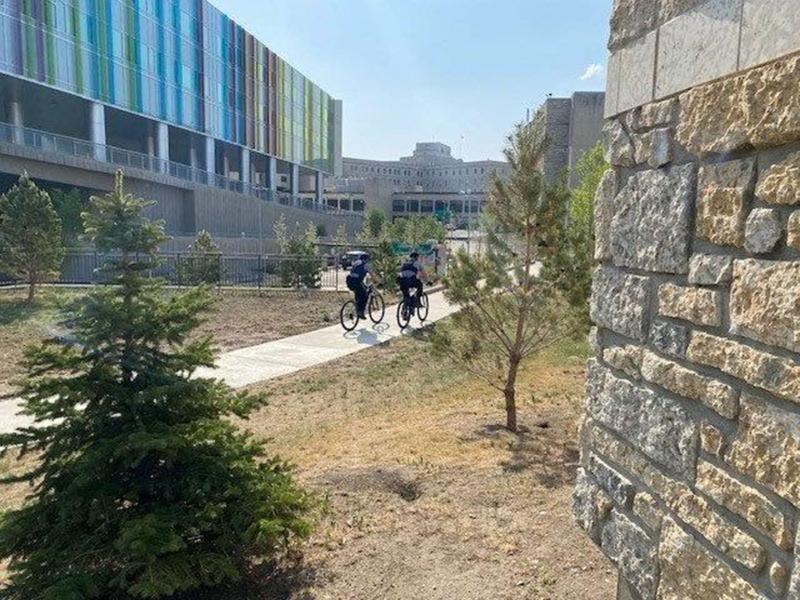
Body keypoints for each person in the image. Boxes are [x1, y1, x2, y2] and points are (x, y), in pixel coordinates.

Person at [346, 252, 373, 319]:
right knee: (365, 296)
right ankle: (360, 313)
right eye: (367, 260)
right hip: (357, 282)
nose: (368, 261)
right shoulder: (364, 265)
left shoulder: (356, 262)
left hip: (350, 281)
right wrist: (379, 281)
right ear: (365, 259)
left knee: (358, 296)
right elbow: (372, 274)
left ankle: (355, 310)